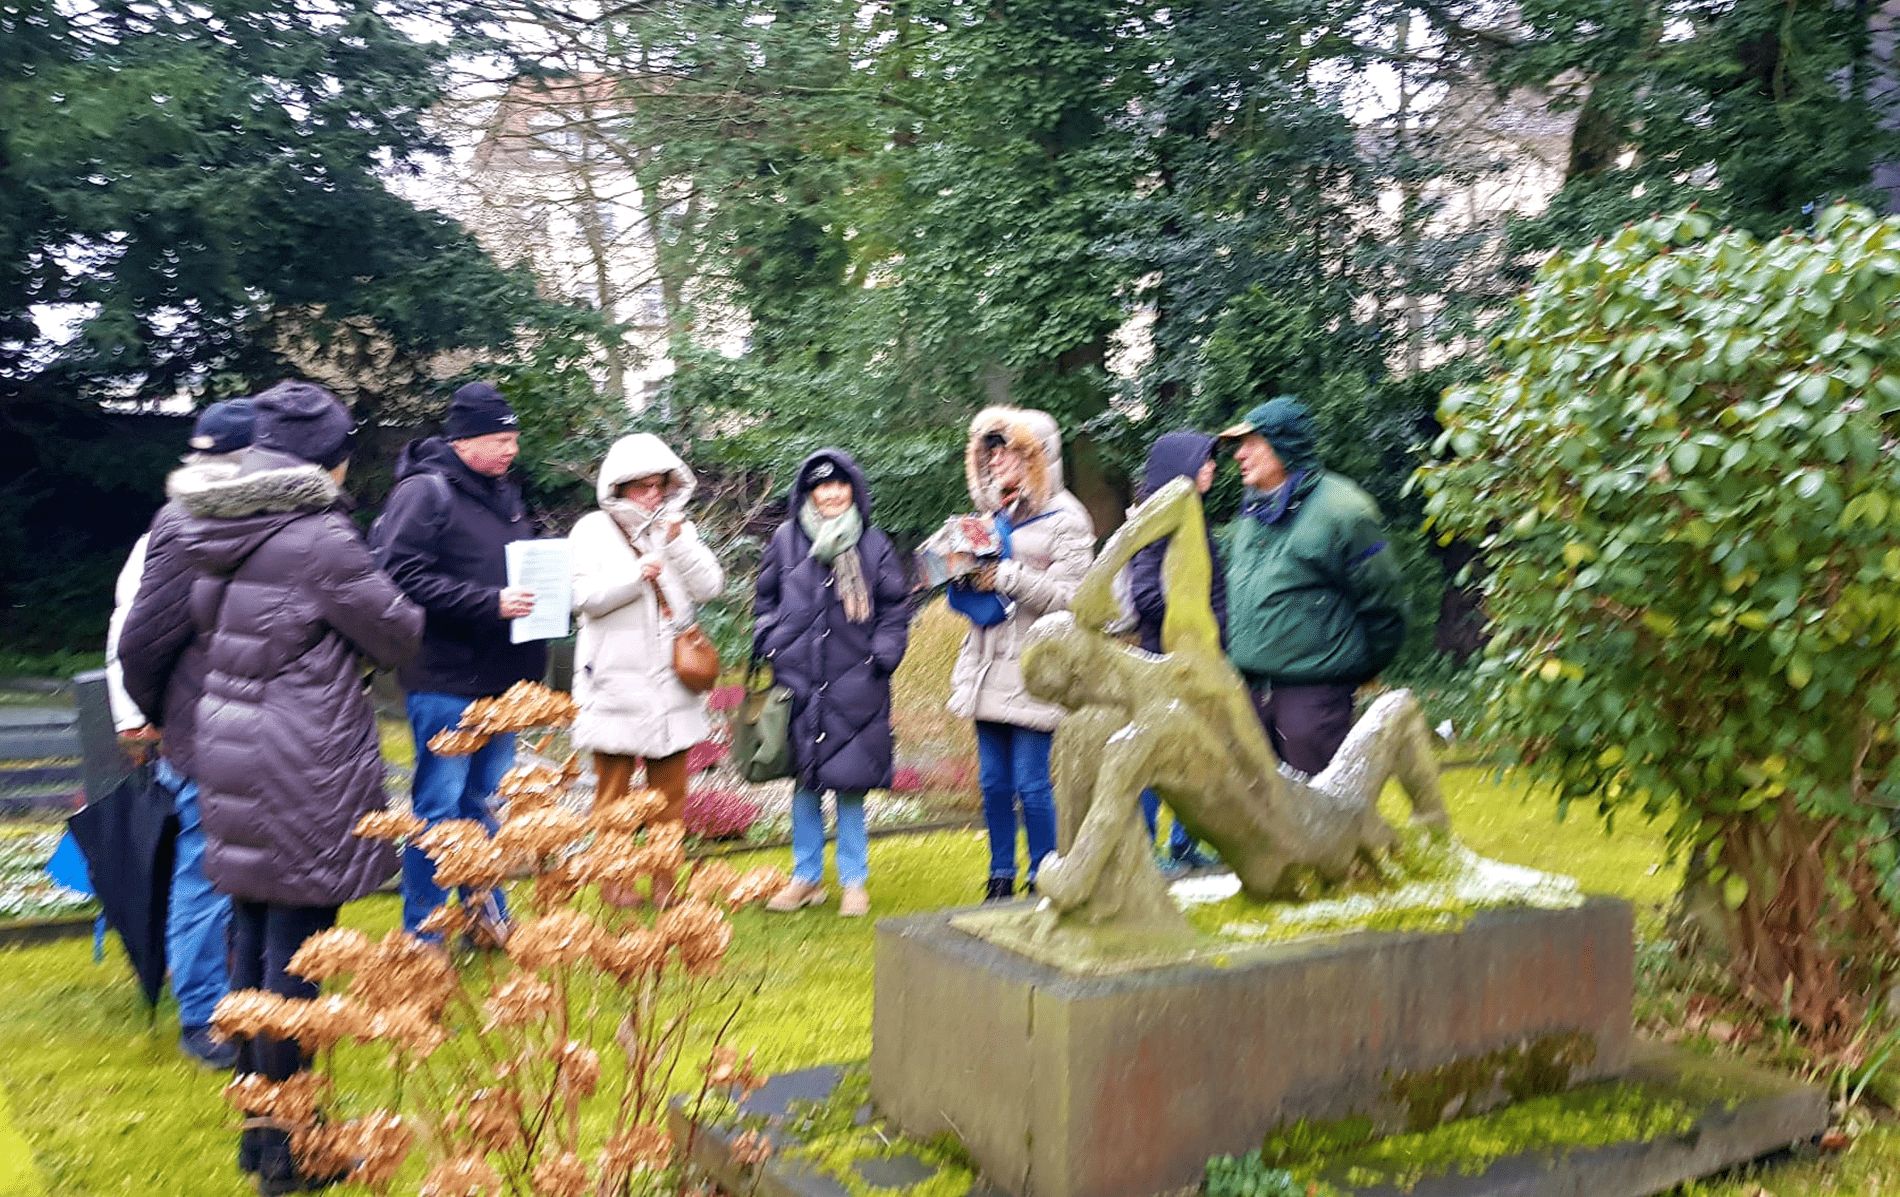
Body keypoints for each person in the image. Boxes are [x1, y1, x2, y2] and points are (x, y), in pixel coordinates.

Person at [128, 380, 422, 1194]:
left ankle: (262, 1136)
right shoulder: (322, 536)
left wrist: (184, 728)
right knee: (298, 953)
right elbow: (397, 631)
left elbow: (142, 642)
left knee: (253, 940)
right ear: (328, 462)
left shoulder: (186, 518)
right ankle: (297, 1152)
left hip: (224, 753)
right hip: (306, 764)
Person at [108, 398, 254, 1069]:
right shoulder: (176, 530)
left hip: (235, 729)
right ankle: (202, 1013)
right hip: (198, 733)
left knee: (225, 873)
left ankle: (235, 993)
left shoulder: (237, 521)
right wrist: (148, 715)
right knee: (200, 873)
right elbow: (133, 640)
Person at [371, 381, 545, 938]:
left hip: (503, 680)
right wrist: (487, 602)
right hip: (444, 677)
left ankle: (484, 914)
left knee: (487, 802)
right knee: (438, 807)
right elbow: (399, 574)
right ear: (465, 440)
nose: (511, 449)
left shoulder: (507, 494)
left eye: (515, 437)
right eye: (501, 438)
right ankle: (423, 930)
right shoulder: (424, 493)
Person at [752, 451, 911, 917]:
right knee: (804, 782)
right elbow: (764, 598)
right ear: (809, 492)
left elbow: (893, 610)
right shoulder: (785, 541)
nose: (831, 493)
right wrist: (771, 640)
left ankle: (854, 880)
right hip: (798, 681)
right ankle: (806, 877)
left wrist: (882, 657)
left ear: (853, 490)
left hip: (855, 681)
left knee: (849, 784)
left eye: (840, 485)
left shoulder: (874, 545)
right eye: (822, 486)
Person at [568, 433, 724, 906]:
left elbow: (711, 586)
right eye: (642, 487)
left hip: (672, 683)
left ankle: (664, 883)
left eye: (659, 485)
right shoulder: (591, 530)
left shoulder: (679, 528)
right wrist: (637, 576)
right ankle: (613, 883)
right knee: (612, 795)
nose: (653, 495)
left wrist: (678, 547)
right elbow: (583, 600)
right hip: (613, 680)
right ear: (618, 487)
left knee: (670, 796)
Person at [947, 406, 1095, 901]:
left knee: (1032, 783)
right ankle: (999, 875)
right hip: (989, 662)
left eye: (1008, 451)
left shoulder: (1069, 518)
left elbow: (1076, 598)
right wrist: (961, 570)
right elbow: (985, 580)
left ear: (1038, 456)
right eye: (991, 453)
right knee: (992, 783)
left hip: (1036, 666)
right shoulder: (994, 516)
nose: (996, 462)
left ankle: (1045, 874)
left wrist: (1006, 576)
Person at [1218, 395, 1406, 774]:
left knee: (1319, 820)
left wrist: (1354, 668)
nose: (1240, 455)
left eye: (1252, 443)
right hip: (1252, 694)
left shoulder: (1343, 511)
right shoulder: (1253, 514)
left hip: (1314, 701)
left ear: (1284, 444)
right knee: (1260, 820)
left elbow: (1386, 603)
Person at [1125, 430, 1226, 871]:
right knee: (1153, 759)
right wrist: (1193, 618)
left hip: (1199, 662)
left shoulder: (1192, 516)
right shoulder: (1156, 522)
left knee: (1197, 755)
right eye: (1204, 459)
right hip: (1164, 662)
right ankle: (1145, 851)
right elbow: (1145, 594)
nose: (1213, 467)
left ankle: (1184, 841)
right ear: (1180, 467)